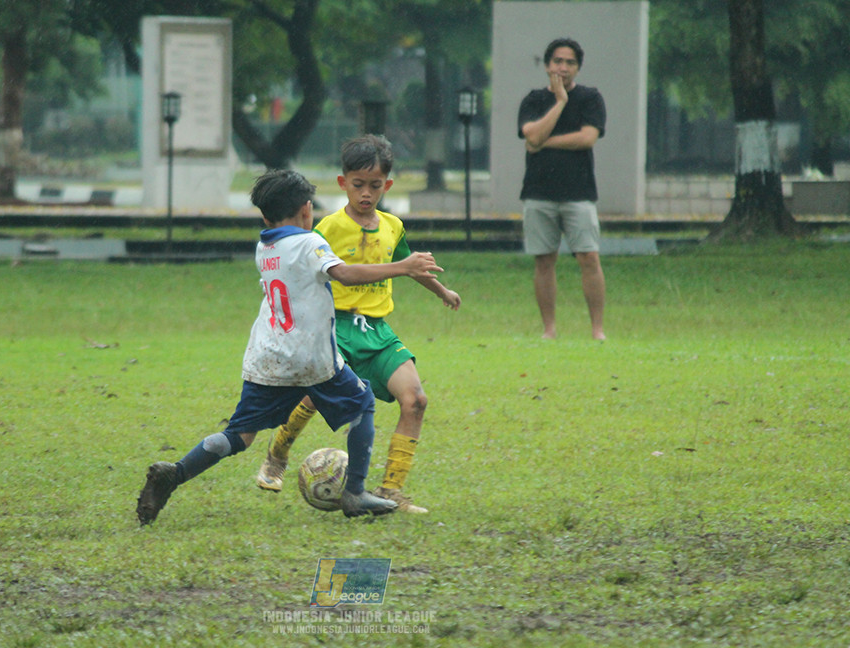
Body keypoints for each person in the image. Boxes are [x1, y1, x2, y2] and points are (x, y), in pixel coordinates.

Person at [135, 169, 445, 525]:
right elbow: (343, 274)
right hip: (311, 357)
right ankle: (356, 492)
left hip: (266, 358)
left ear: (265, 217)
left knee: (239, 434)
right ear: (306, 210)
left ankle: (174, 474)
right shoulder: (309, 243)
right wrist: (403, 267)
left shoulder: (264, 247)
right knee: (361, 403)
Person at [254, 135, 462, 515]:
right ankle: (277, 454)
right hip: (336, 329)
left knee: (415, 400)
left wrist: (442, 290)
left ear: (388, 185)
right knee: (313, 398)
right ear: (342, 182)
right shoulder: (327, 229)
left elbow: (409, 264)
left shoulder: (393, 226)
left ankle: (392, 489)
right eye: (358, 185)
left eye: (375, 186)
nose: (366, 194)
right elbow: (299, 269)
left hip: (378, 332)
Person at [518, 37, 607, 341]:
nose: (563, 67)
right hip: (538, 193)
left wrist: (542, 143)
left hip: (579, 193)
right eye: (558, 61)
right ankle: (549, 330)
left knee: (589, 258)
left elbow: (587, 138)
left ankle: (597, 330)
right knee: (544, 260)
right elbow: (530, 133)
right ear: (547, 66)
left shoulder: (591, 98)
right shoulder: (533, 100)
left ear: (578, 68)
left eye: (570, 62)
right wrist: (559, 103)